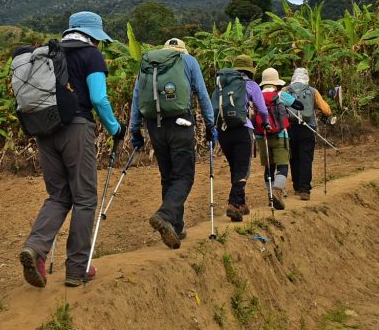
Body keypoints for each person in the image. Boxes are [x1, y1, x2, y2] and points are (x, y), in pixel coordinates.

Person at [19, 11, 125, 288]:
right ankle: (78, 269)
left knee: (58, 195)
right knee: (85, 198)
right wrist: (116, 129)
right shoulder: (90, 55)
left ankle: (36, 247)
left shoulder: (47, 54)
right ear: (93, 35)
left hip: (44, 130)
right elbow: (99, 98)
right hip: (76, 129)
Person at [130, 37, 215, 249]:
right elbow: (202, 94)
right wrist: (211, 124)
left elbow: (137, 97)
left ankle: (175, 226)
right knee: (184, 175)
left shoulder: (149, 64)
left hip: (154, 125)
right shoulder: (189, 61)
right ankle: (165, 215)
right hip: (181, 122)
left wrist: (135, 129)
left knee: (168, 175)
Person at [214, 54, 269, 222]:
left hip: (223, 130)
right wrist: (265, 123)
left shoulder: (221, 84)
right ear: (249, 70)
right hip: (242, 129)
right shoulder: (251, 85)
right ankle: (232, 204)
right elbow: (262, 109)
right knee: (242, 168)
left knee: (235, 167)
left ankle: (241, 203)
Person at [253, 67, 303, 210]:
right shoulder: (281, 94)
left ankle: (270, 196)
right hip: (280, 135)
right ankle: (277, 191)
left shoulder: (256, 95)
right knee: (282, 166)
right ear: (276, 82)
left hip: (261, 136)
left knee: (269, 166)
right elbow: (299, 105)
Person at [286, 67, 335, 200]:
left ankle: (297, 186)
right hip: (307, 128)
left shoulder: (286, 90)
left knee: (294, 157)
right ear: (306, 77)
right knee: (306, 159)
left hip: (290, 128)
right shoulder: (312, 91)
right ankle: (304, 190)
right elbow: (326, 110)